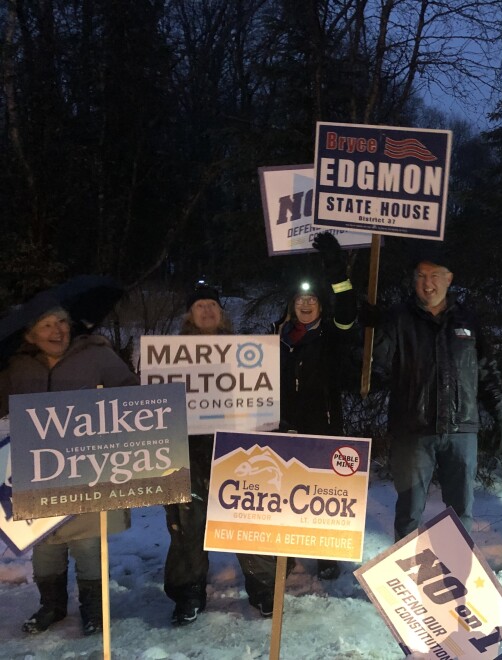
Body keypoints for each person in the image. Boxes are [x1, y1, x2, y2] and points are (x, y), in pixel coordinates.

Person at [0, 307, 137, 635]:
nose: (57, 330)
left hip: (88, 468)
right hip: (34, 471)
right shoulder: (14, 365)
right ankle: (52, 605)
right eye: (46, 324)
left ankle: (94, 609)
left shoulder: (97, 355)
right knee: (45, 545)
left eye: (62, 321)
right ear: (30, 334)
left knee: (88, 544)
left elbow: (133, 396)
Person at [369, 246, 502, 541]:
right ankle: (405, 579)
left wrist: (500, 409)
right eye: (421, 275)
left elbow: (486, 369)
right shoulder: (397, 319)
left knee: (460, 512)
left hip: (461, 431)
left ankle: (455, 576)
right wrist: (372, 330)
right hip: (413, 431)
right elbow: (375, 369)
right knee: (409, 511)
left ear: (449, 279)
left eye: (435, 275)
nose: (427, 282)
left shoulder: (467, 321)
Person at [162, 285, 280, 624]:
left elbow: (260, 395)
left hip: (235, 449)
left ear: (221, 311)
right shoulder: (169, 355)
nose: (206, 310)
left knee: (247, 517)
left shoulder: (243, 349)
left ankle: (263, 591)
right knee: (187, 525)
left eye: (212, 304)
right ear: (189, 314)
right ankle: (188, 595)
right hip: (185, 451)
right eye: (199, 305)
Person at [276, 232, 356, 580]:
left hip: (323, 423)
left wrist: (335, 266)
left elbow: (349, 306)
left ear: (320, 305)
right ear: (291, 305)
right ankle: (287, 554)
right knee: (286, 492)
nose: (306, 304)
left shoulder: (333, 333)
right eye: (300, 300)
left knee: (323, 494)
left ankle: (325, 556)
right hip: (284, 424)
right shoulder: (276, 336)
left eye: (312, 299)